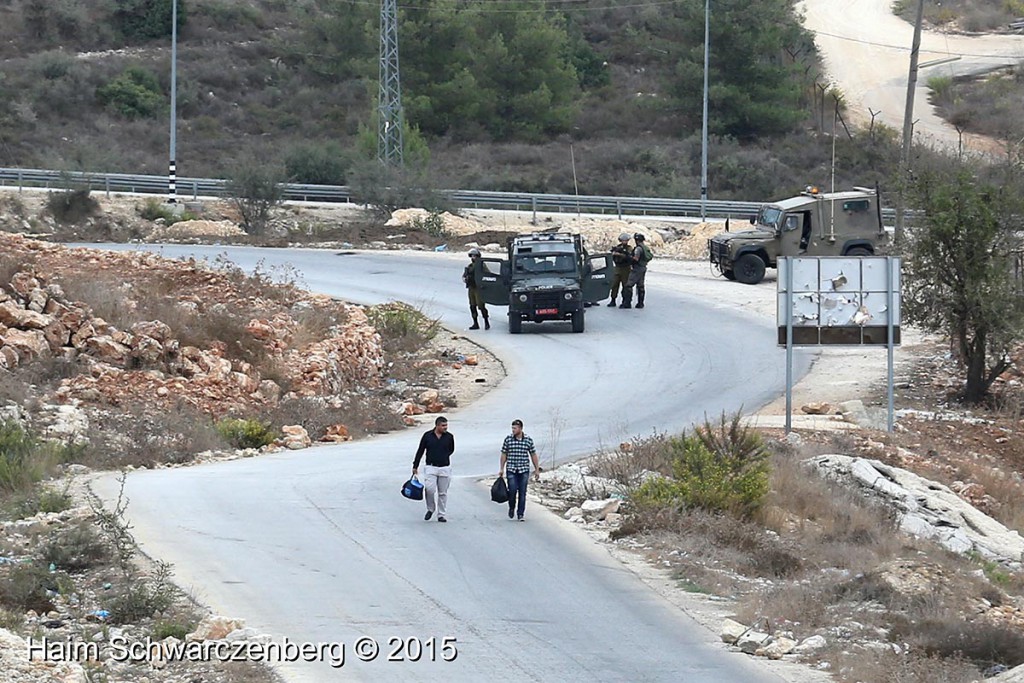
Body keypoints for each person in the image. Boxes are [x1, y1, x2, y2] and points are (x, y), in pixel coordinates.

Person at [412, 416, 455, 522]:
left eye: (446, 425)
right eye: (443, 425)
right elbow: (420, 450)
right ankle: (430, 509)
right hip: (431, 467)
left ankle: (441, 514)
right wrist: (415, 465)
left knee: (442, 493)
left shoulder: (449, 437)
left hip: (444, 467)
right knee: (429, 489)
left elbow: (451, 450)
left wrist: (443, 456)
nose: (445, 427)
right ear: (437, 425)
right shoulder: (427, 436)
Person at [498, 419, 541, 521]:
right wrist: (501, 468)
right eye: (512, 428)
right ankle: (512, 507)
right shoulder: (508, 439)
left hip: (524, 469)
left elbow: (533, 454)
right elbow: (504, 454)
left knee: (522, 492)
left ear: (521, 429)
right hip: (511, 469)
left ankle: (520, 513)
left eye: (515, 428)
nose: (513, 430)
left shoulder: (528, 440)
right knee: (512, 490)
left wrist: (536, 469)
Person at [620, 232, 653, 309]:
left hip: (637, 268)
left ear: (636, 240)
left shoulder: (638, 249)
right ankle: (640, 303)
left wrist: (628, 257)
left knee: (628, 285)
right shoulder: (645, 248)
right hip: (643, 268)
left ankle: (627, 303)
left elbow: (636, 259)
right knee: (640, 285)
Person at [462, 248, 490, 330]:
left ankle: (486, 322)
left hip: (479, 288)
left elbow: (487, 275)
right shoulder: (470, 266)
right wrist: (465, 278)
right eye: (472, 256)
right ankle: (475, 323)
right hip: (471, 288)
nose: (473, 258)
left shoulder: (482, 266)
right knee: (472, 306)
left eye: (475, 256)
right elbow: (464, 276)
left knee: (481, 306)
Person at [608, 233, 632, 307]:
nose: (624, 241)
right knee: (614, 285)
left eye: (625, 240)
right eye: (622, 240)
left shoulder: (629, 248)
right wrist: (614, 254)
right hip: (618, 267)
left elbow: (629, 257)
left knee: (626, 286)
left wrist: (621, 254)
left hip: (626, 268)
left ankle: (626, 301)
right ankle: (613, 300)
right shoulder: (618, 247)